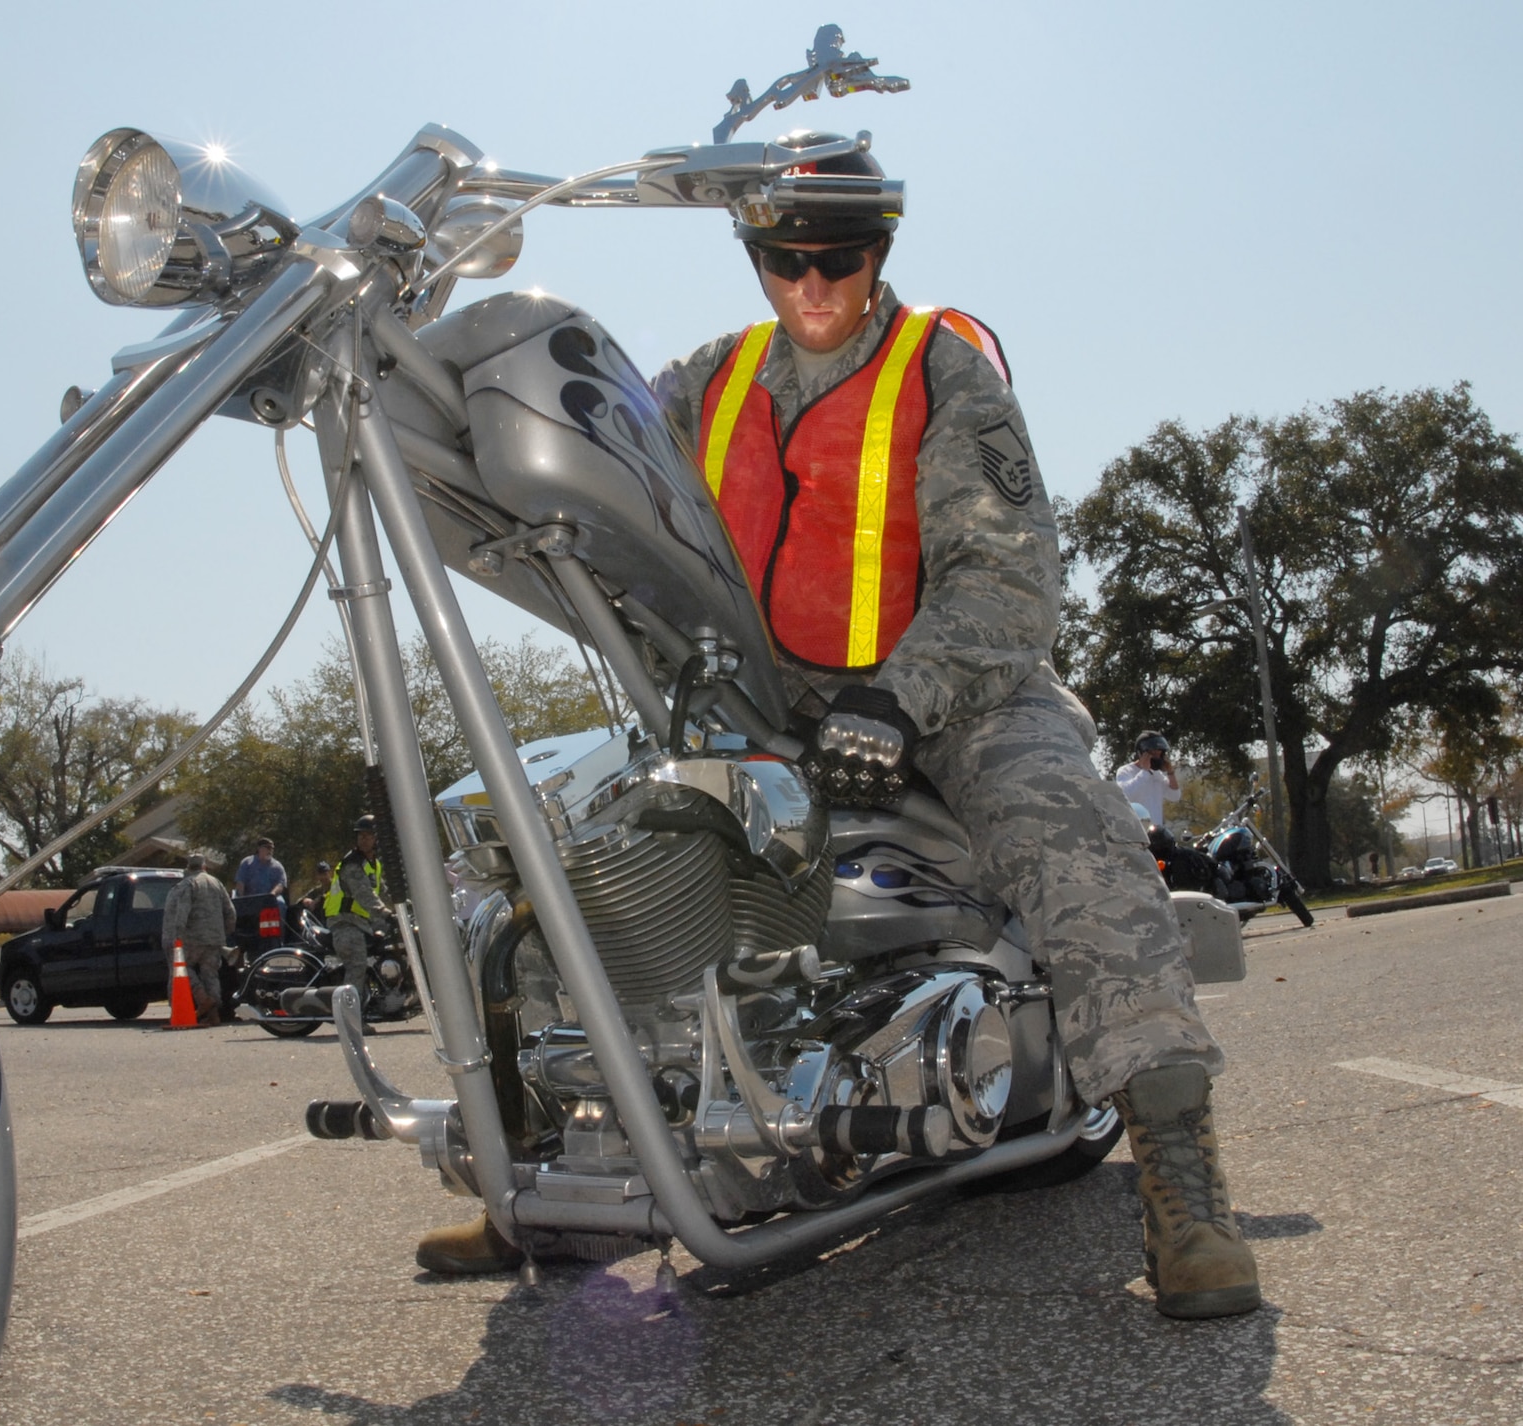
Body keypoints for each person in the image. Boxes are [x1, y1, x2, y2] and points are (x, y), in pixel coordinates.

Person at [416, 128, 1260, 1322]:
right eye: (784, 259)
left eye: (841, 257)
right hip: (761, 699)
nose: (813, 286)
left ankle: (1182, 1178)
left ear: (881, 250)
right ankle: (542, 1175)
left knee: (1069, 835)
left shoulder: (941, 374)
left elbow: (1006, 583)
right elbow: (597, 466)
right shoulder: (706, 380)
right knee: (572, 856)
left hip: (950, 689)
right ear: (751, 253)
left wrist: (897, 698)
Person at [160, 852, 234, 1025]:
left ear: (188, 867)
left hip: (192, 938)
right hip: (214, 938)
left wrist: (177, 937)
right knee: (211, 975)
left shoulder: (187, 884)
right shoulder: (217, 883)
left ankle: (202, 998)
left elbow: (182, 913)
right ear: (204, 866)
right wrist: (226, 932)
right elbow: (230, 911)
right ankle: (214, 1015)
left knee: (181, 968)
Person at [322, 815, 388, 990]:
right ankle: (350, 1011)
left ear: (377, 838)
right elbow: (364, 894)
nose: (363, 839)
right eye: (360, 835)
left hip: (362, 923)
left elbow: (383, 892)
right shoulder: (352, 864)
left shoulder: (373, 864)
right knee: (357, 966)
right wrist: (383, 912)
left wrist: (407, 906)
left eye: (368, 835)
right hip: (345, 922)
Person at [1117, 731, 1183, 827]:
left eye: (1159, 753)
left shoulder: (1157, 774)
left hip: (1156, 832)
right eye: (1153, 752)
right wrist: (1145, 771)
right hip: (1136, 830)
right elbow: (1126, 795)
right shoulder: (1125, 771)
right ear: (1142, 753)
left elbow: (1175, 796)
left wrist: (1170, 772)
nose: (1157, 756)